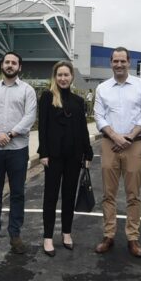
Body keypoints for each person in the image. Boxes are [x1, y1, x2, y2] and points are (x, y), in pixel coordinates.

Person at [93, 47, 141, 257]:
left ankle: (133, 238)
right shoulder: (102, 88)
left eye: (123, 61)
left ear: (129, 62)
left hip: (134, 144)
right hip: (110, 144)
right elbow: (99, 117)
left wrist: (128, 137)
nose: (119, 65)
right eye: (115, 61)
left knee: (133, 195)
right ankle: (108, 235)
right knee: (108, 194)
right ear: (111, 63)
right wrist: (116, 136)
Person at [0, 52, 37, 254]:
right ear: (1, 65)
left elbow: (30, 117)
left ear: (19, 67)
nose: (10, 65)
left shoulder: (28, 90)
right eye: (7, 62)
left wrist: (9, 134)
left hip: (18, 149)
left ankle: (15, 235)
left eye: (14, 63)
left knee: (17, 193)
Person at [38, 61, 93, 256]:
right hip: (53, 157)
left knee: (69, 196)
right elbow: (42, 128)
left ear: (72, 77)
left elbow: (83, 129)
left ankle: (67, 233)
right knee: (50, 198)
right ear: (55, 77)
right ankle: (47, 237)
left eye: (66, 75)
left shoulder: (78, 101)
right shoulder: (47, 97)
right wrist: (42, 153)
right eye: (59, 75)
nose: (63, 78)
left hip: (74, 156)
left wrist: (88, 152)